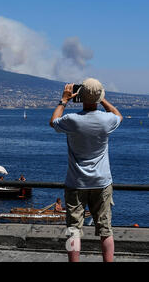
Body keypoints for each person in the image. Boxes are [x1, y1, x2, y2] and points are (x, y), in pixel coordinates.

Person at [50, 79, 122, 262]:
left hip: (76, 182)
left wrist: (64, 100)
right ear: (99, 98)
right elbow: (117, 115)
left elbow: (53, 122)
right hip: (102, 182)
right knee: (106, 230)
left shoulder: (72, 120)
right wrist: (101, 99)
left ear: (80, 96)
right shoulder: (107, 121)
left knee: (73, 230)